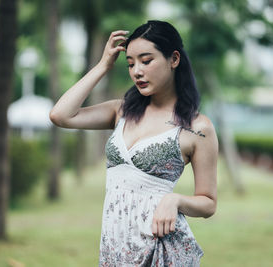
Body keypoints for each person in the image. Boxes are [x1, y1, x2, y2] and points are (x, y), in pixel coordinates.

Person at [50, 20, 218, 266]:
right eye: (130, 64)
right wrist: (102, 66)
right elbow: (60, 115)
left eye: (146, 61)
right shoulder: (121, 111)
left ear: (174, 59)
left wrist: (175, 200)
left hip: (160, 249)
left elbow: (209, 202)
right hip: (115, 247)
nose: (137, 71)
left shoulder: (197, 127)